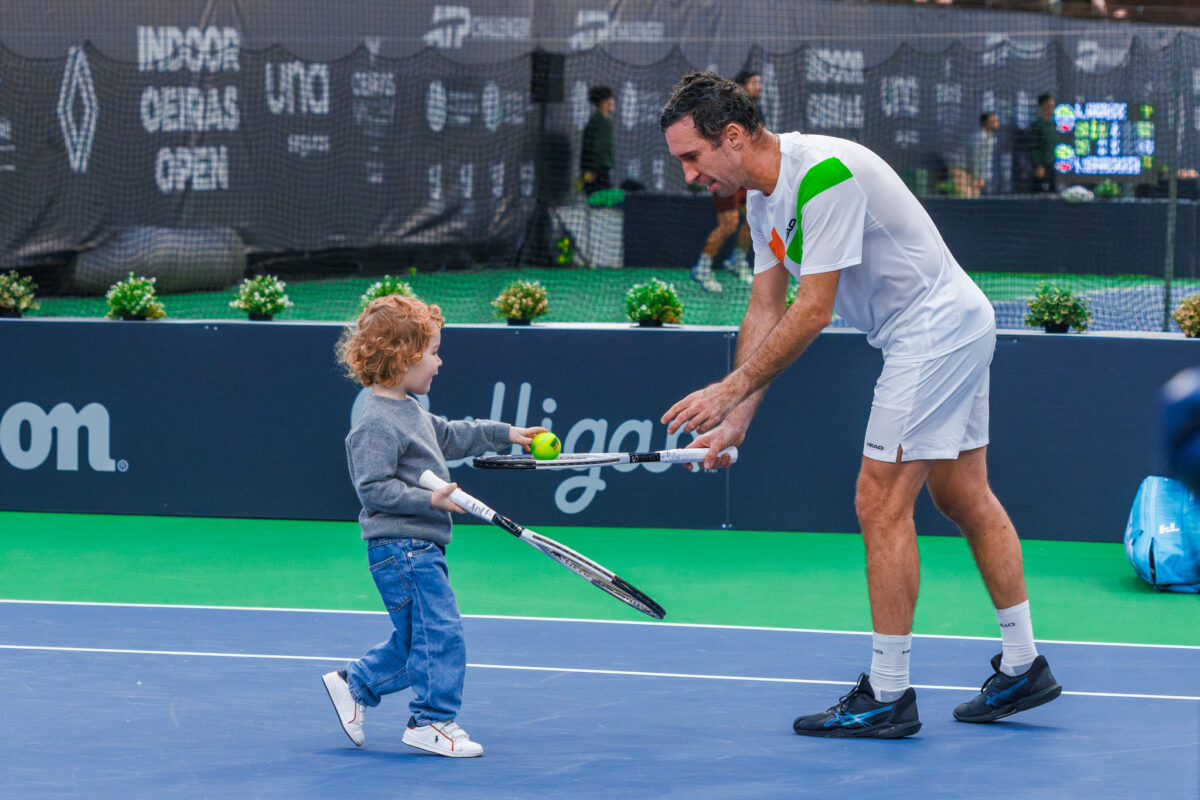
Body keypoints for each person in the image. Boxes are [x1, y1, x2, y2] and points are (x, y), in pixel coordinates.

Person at [658, 72, 1061, 739]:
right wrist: (737, 420)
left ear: (732, 137)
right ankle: (1023, 665)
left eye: (692, 157)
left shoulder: (824, 175)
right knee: (962, 495)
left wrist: (729, 389)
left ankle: (888, 692)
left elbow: (812, 311)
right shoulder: (762, 200)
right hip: (949, 325)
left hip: (932, 329)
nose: (688, 174)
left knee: (879, 500)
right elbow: (765, 309)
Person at [322, 293, 547, 757]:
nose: (439, 362)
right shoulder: (374, 422)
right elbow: (372, 489)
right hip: (401, 550)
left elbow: (447, 435)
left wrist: (504, 434)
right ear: (404, 358)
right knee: (441, 634)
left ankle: (356, 683)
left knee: (417, 641)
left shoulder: (409, 409)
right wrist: (432, 499)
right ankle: (431, 722)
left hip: (418, 548)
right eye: (433, 353)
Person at [689, 69, 762, 292]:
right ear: (741, 85)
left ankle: (737, 260)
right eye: (754, 82)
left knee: (753, 220)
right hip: (725, 174)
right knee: (729, 223)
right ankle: (701, 268)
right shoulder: (725, 110)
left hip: (745, 174)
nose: (758, 87)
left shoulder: (755, 110)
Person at [580, 85, 616, 198]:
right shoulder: (600, 122)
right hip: (597, 170)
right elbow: (597, 148)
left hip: (595, 169)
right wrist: (591, 172)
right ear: (603, 103)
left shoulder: (599, 120)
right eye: (610, 99)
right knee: (598, 200)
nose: (613, 102)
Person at [1028, 93, 1059, 194]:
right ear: (1042, 106)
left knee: (1053, 192)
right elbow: (1033, 147)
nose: (1052, 108)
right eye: (1049, 106)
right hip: (1040, 167)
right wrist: (1038, 165)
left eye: (1053, 106)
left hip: (1051, 165)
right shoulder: (1036, 125)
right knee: (1038, 193)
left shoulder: (1053, 124)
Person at [967, 112, 1000, 196]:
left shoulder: (993, 137)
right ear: (985, 123)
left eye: (996, 121)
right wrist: (978, 177)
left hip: (991, 177)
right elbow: (976, 159)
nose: (996, 123)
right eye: (993, 121)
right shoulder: (980, 138)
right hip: (982, 179)